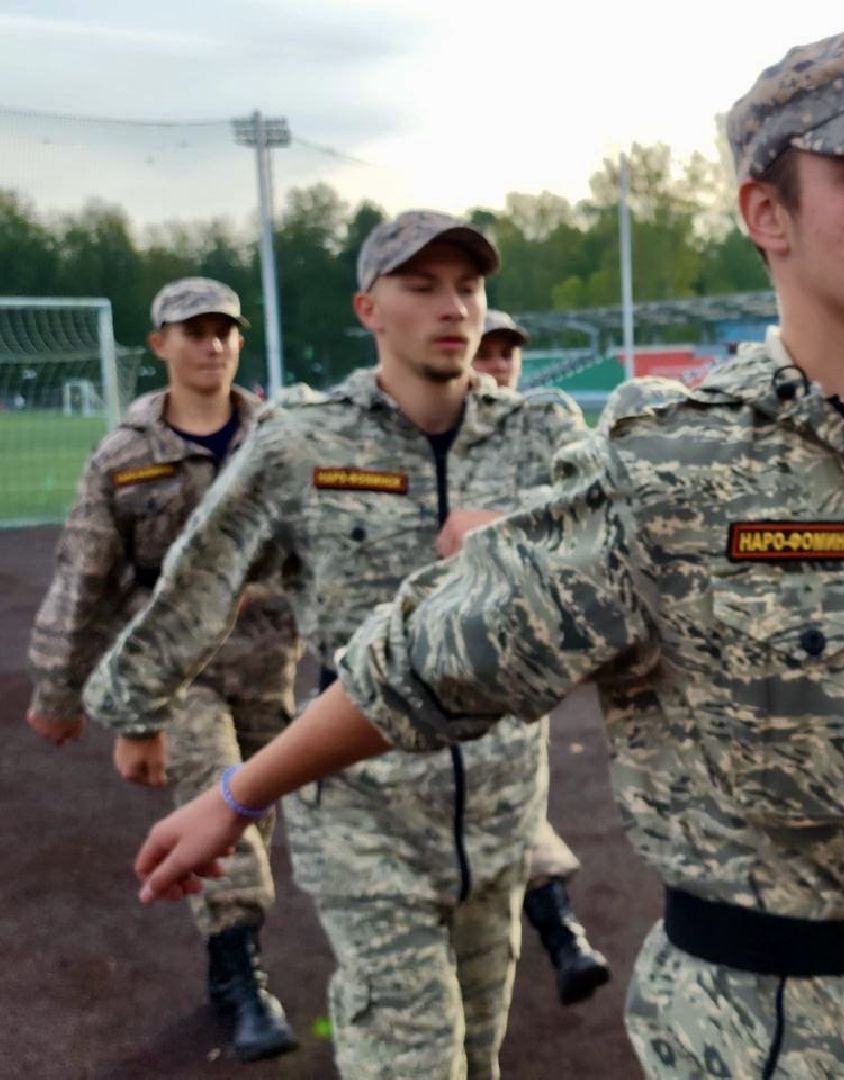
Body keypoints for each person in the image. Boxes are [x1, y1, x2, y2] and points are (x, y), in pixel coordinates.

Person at [128, 32, 844, 1078]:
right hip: (745, 1024)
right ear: (769, 213)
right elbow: (425, 661)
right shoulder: (671, 470)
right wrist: (237, 791)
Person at [84, 213, 588, 1079]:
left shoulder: (543, 433)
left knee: (478, 1049)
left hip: (505, 808)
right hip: (362, 811)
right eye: (420, 286)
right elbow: (200, 578)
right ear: (368, 308)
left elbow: (625, 549)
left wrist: (504, 535)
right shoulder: (306, 443)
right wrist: (136, 709)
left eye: (467, 287)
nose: (453, 308)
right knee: (409, 1060)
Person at [26, 277, 302, 1062]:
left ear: (238, 341)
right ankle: (241, 976)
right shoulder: (125, 454)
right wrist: (60, 689)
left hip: (268, 660)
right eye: (193, 331)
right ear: (160, 345)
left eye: (223, 330)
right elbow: (85, 575)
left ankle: (230, 959)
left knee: (250, 807)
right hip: (174, 666)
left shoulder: (280, 440)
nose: (211, 343)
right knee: (215, 787)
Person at [461, 306, 611, 1005]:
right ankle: (559, 934)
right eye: (485, 352)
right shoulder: (435, 442)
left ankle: (560, 935)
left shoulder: (544, 432)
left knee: (514, 803)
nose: (497, 366)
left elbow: (587, 519)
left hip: (518, 668)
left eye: (507, 353)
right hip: (439, 668)